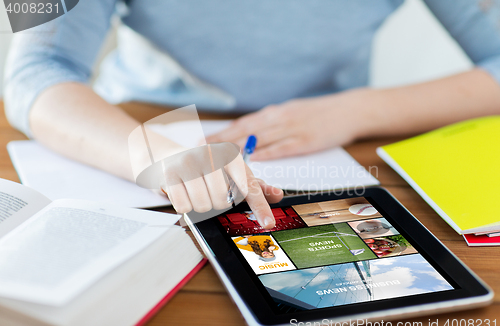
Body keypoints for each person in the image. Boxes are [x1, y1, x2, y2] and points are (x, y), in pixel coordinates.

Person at [5, 1, 500, 228]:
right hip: (130, 126)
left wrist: (360, 109)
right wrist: (152, 152)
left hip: (332, 146)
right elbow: (32, 70)